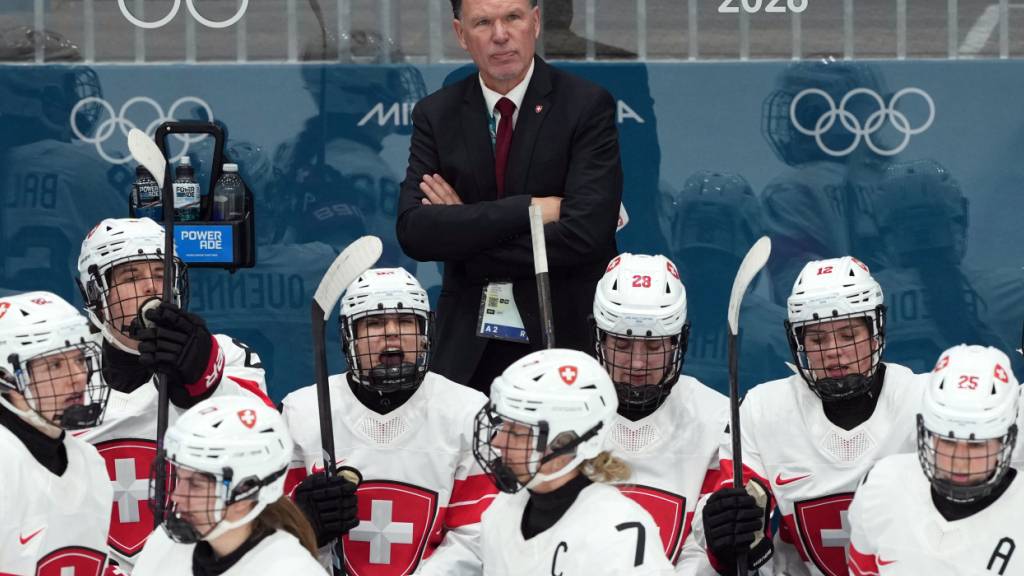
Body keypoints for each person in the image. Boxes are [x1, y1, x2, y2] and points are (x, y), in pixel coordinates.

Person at [396, 0, 623, 393]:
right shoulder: (436, 114)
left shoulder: (585, 105)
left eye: (512, 18)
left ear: (535, 22)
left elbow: (587, 235)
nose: (500, 35)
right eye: (483, 22)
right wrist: (531, 209)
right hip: (468, 349)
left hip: (563, 340)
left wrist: (464, 235)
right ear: (460, 34)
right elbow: (415, 231)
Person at [697, 256, 929, 576]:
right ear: (798, 343)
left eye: (848, 335)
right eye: (818, 339)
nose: (833, 350)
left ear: (876, 334)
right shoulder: (763, 411)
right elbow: (735, 515)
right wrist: (725, 535)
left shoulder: (925, 401)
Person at [74, 217, 272, 573]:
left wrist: (203, 383)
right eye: (131, 277)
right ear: (96, 294)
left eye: (161, 273)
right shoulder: (63, 371)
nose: (152, 287)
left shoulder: (223, 355)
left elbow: (266, 440)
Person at [282, 267, 495, 576]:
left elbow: (475, 535)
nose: (391, 333)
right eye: (374, 323)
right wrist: (302, 527)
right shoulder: (302, 412)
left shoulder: (468, 412)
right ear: (350, 338)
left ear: (425, 334)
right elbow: (266, 536)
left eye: (406, 321)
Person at [473, 348, 674, 575]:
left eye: (516, 432)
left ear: (565, 444)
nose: (497, 441)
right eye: (502, 426)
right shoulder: (501, 512)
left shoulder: (618, 532)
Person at [591, 253, 730, 567]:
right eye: (622, 345)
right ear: (600, 339)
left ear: (678, 343)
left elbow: (703, 551)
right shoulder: (563, 414)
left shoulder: (716, 420)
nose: (638, 363)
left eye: (654, 346)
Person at [847, 344, 1023, 574]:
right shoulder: (880, 487)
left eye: (977, 444)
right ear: (926, 431)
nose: (960, 461)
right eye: (948, 441)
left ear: (1005, 440)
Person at [133, 395, 327, 575]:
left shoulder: (293, 570)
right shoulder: (164, 543)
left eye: (195, 484)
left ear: (246, 491)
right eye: (179, 478)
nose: (176, 495)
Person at [0, 291, 113, 576]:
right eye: (55, 365)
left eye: (79, 360)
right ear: (6, 378)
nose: (78, 377)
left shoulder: (89, 461)